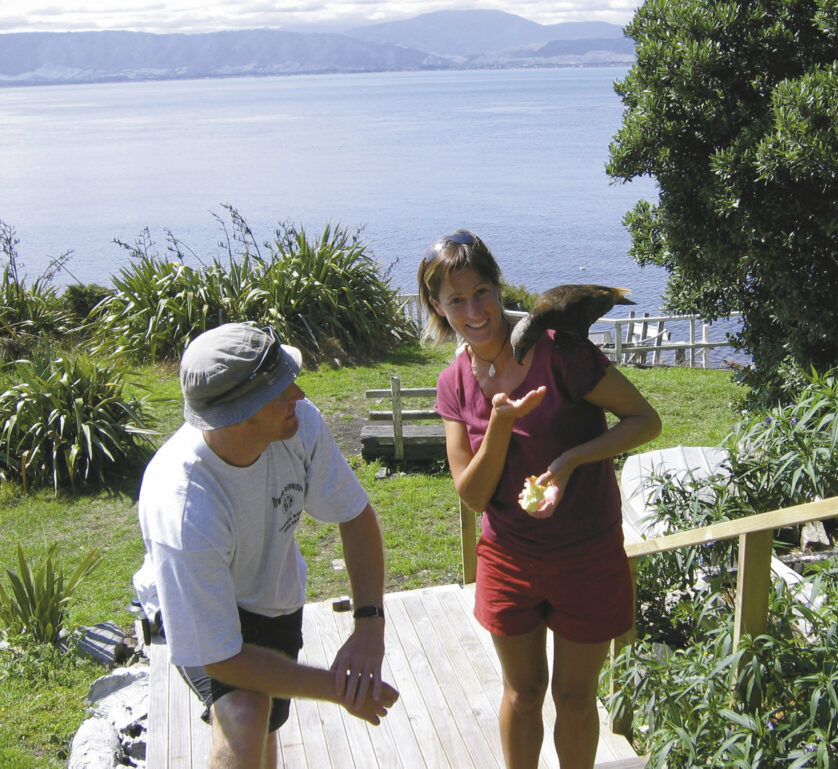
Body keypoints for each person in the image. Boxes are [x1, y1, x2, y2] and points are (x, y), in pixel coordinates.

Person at [417, 230, 661, 769]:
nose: (474, 310)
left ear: (497, 285)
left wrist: (573, 459)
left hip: (587, 551)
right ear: (437, 305)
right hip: (508, 557)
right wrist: (501, 423)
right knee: (523, 693)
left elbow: (646, 421)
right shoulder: (454, 383)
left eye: (481, 291)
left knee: (574, 698)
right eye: (456, 299)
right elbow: (474, 496)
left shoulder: (561, 353)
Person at [133, 322, 398, 769]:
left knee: (264, 732)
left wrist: (370, 623)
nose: (297, 394)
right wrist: (340, 688)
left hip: (273, 597)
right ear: (238, 414)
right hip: (193, 603)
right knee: (244, 713)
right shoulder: (184, 508)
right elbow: (222, 658)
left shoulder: (297, 424)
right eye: (279, 389)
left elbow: (354, 516)